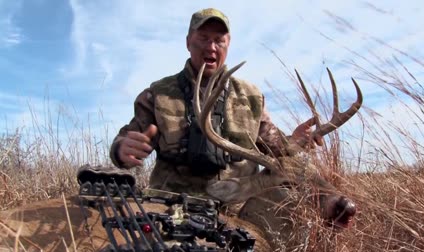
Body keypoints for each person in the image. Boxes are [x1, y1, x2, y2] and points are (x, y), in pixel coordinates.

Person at [110, 8, 320, 202]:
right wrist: (121, 149)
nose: (211, 47)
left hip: (239, 208)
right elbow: (128, 142)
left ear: (228, 44)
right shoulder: (158, 94)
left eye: (219, 40)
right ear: (188, 42)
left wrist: (294, 142)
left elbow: (274, 147)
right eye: (203, 38)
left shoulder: (251, 96)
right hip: (172, 206)